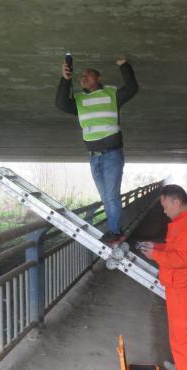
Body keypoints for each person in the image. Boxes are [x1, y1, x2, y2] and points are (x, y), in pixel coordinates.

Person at [55, 56, 138, 244]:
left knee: (111, 196)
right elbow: (60, 103)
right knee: (106, 197)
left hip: (112, 155)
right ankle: (116, 231)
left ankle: (115, 232)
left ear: (98, 77)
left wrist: (124, 66)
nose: (83, 77)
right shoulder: (79, 100)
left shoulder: (111, 94)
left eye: (88, 74)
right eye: (81, 76)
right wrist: (65, 79)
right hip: (94, 157)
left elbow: (132, 88)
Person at [142, 185, 187, 370]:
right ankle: (183, 366)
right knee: (179, 333)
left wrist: (156, 255)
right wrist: (157, 247)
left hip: (183, 287)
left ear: (176, 202)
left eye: (165, 205)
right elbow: (176, 250)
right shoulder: (182, 222)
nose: (164, 210)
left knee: (185, 336)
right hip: (179, 285)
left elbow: (181, 258)